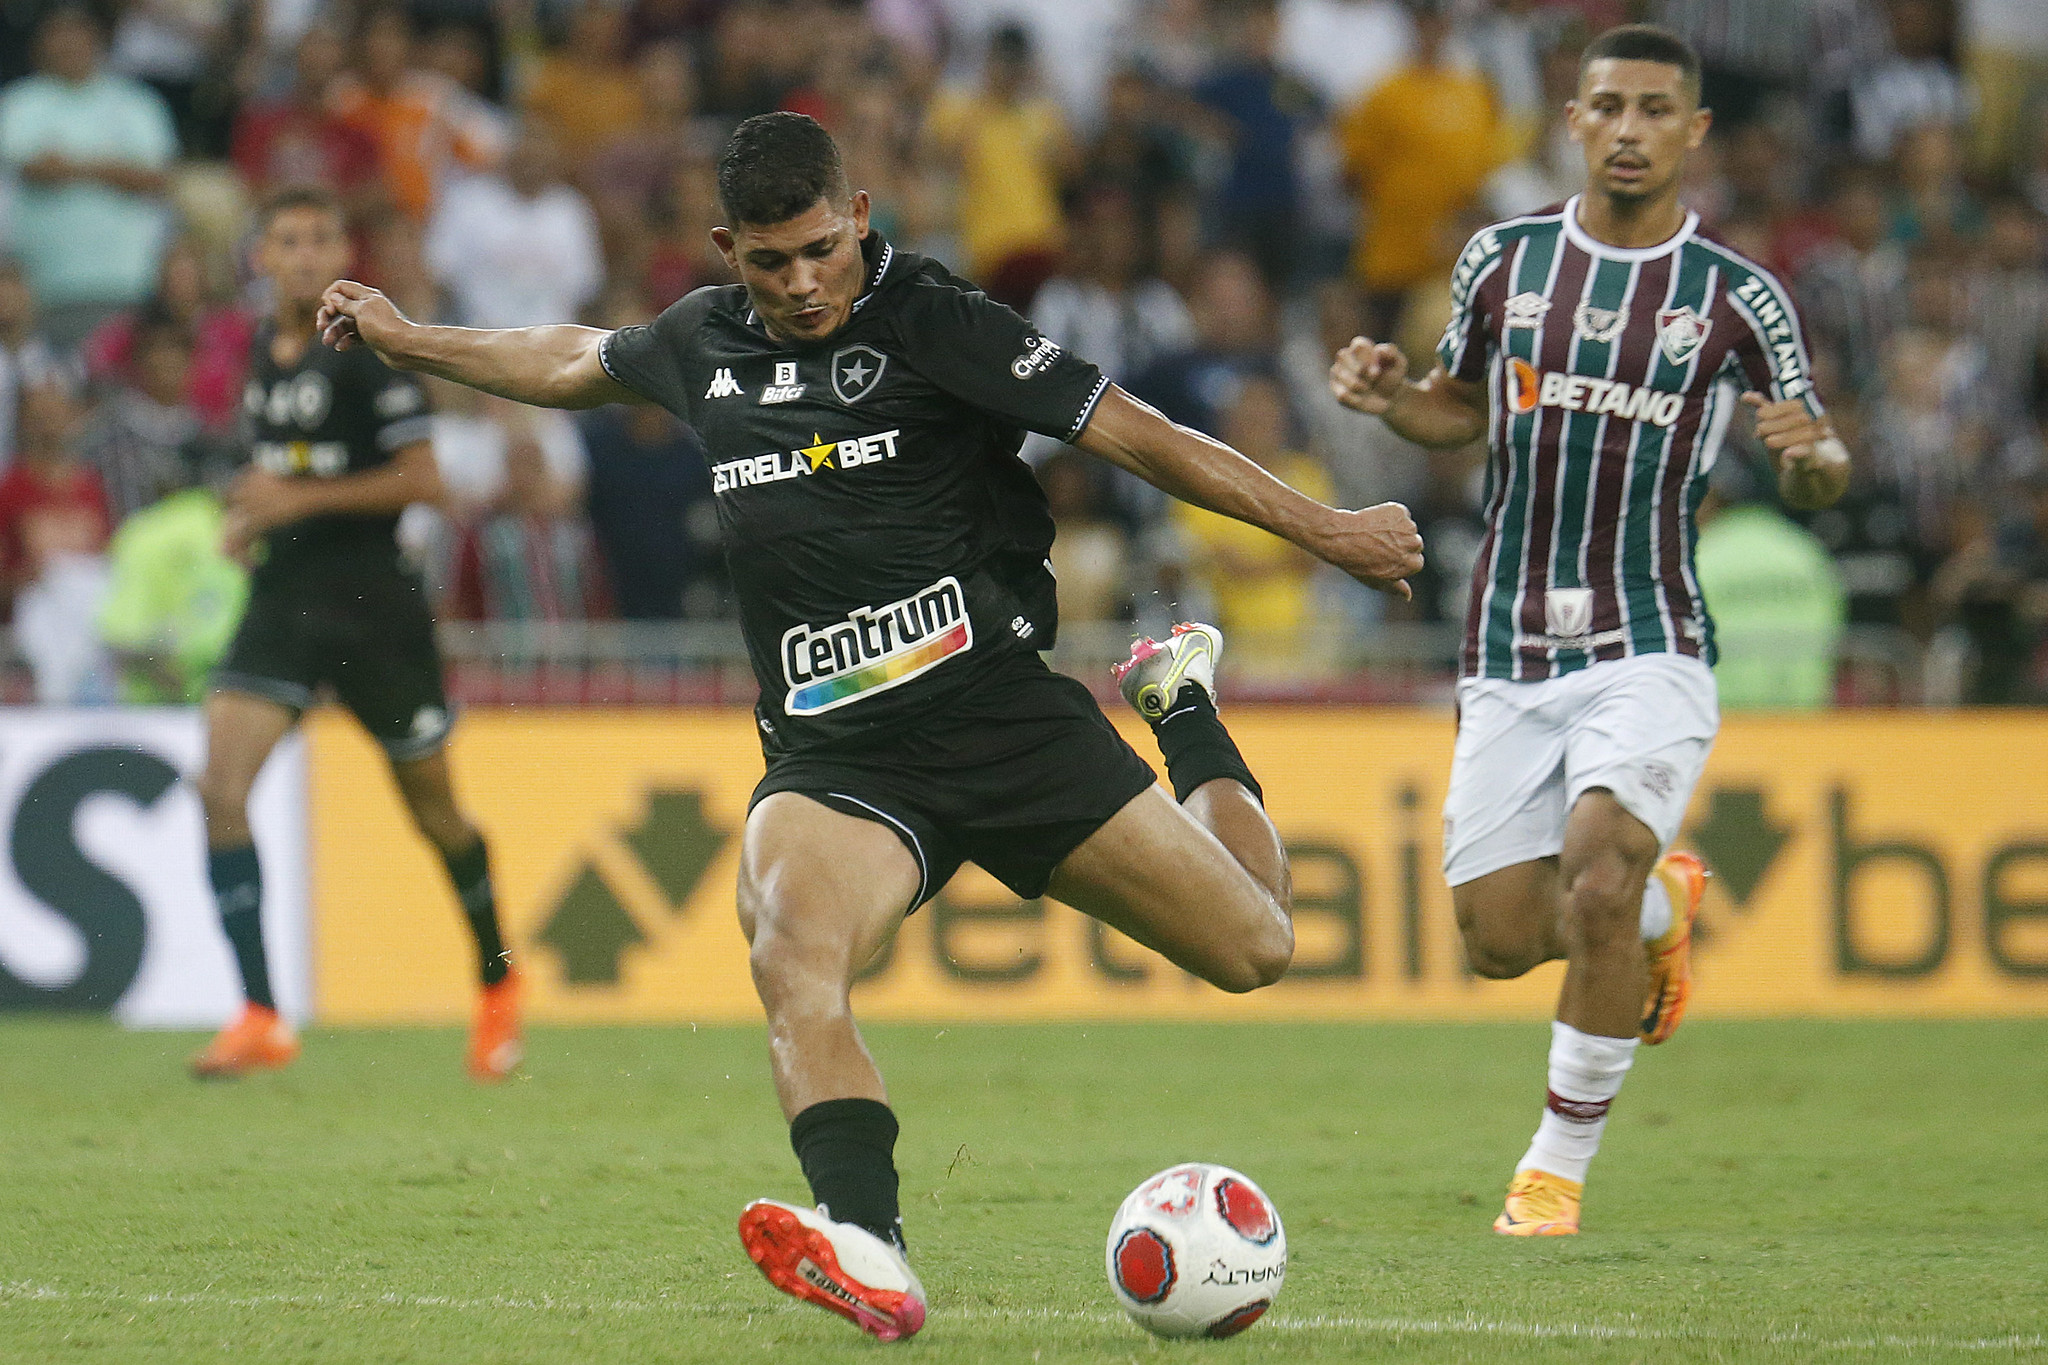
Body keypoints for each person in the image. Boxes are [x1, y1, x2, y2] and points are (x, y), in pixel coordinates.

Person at [315, 111, 1423, 1340]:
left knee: (1255, 945)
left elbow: (1135, 436)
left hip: (1001, 719)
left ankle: (1182, 706)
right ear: (726, 246)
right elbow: (566, 359)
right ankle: (872, 1253)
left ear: (856, 218)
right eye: (769, 261)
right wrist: (411, 340)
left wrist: (1326, 531)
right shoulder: (701, 341)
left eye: (819, 252)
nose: (800, 285)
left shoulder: (939, 322)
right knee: (791, 954)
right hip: (837, 753)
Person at [1330, 25, 1850, 1236]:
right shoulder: (1502, 263)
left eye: (1654, 110)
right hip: (1508, 642)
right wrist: (1387, 398)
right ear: (1571, 121)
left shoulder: (1737, 297)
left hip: (1651, 631)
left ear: (1692, 131)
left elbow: (1812, 461)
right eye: (1606, 106)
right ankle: (1665, 912)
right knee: (1500, 941)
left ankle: (1551, 1172)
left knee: (1597, 867)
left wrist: (1816, 460)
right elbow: (1455, 411)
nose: (1628, 129)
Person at [187, 187, 521, 1085]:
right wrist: (252, 513)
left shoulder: (370, 353)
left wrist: (295, 498)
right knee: (219, 785)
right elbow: (288, 462)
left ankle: (498, 983)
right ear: (260, 256)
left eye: (322, 235)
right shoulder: (261, 347)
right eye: (288, 238)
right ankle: (259, 1012)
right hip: (284, 597)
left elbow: (425, 481)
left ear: (344, 247)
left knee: (435, 814)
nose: (305, 254)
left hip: (377, 610)